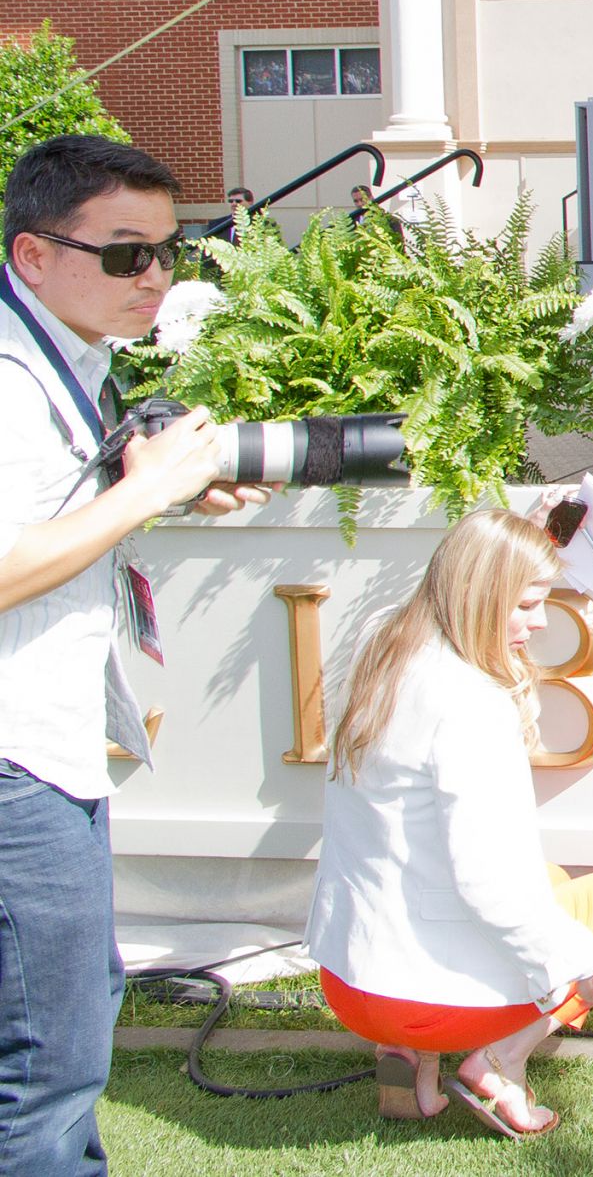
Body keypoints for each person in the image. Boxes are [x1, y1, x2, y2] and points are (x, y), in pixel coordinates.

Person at [0, 135, 270, 1176]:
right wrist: (145, 493)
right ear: (34, 253)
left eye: (171, 252)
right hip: (18, 761)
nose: (153, 278)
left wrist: (157, 491)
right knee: (48, 1068)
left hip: (42, 744)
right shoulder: (14, 376)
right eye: (124, 254)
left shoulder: (63, 355)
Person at [306, 508, 593, 1140]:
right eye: (527, 604)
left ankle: (410, 1059)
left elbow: (446, 579)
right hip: (431, 1003)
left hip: (349, 982)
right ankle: (499, 1060)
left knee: (553, 877)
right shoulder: (471, 706)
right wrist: (582, 962)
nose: (539, 623)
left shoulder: (382, 639)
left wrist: (520, 535)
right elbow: (487, 883)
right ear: (478, 597)